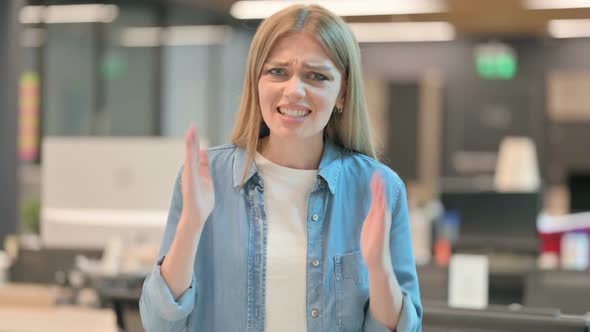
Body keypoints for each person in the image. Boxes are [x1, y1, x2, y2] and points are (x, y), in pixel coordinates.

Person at [139, 4, 422, 332]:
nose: (294, 90)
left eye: (316, 76)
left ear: (343, 93)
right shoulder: (208, 177)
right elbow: (159, 323)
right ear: (256, 82)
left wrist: (378, 267)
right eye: (278, 72)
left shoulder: (378, 187)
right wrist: (190, 226)